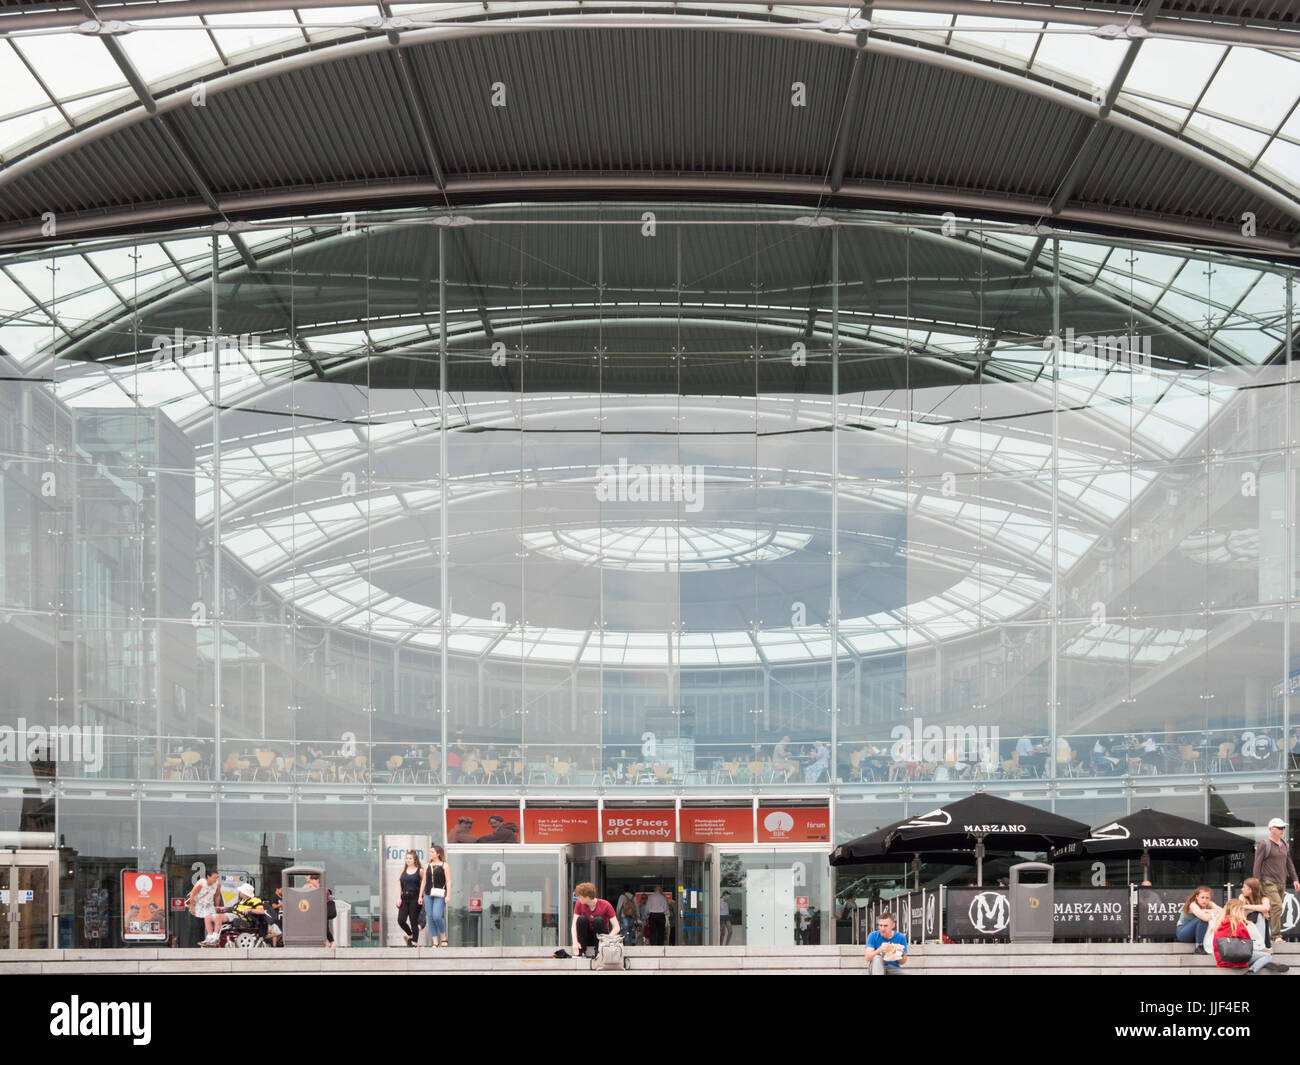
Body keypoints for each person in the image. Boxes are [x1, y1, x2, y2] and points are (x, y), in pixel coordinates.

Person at [1253, 817, 1299, 942]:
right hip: (1267, 881)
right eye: (1280, 828)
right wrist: (1256, 883)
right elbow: (1257, 864)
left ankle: (1270, 936)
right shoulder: (1264, 844)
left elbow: (1289, 862)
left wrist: (1295, 878)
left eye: (1283, 828)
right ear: (1272, 829)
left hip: (1282, 882)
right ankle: (1276, 936)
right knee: (1277, 905)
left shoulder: (1284, 844)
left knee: (1275, 908)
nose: (1282, 830)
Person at [1213, 898, 1288, 974]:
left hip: (1222, 960)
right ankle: (1251, 971)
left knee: (1258, 956)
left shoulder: (1219, 923)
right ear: (1240, 910)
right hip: (1236, 960)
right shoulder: (1239, 924)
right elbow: (1247, 943)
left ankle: (1263, 963)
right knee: (1266, 956)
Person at [570, 881, 617, 956]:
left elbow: (616, 927)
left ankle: (599, 952)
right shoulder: (579, 904)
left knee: (598, 920)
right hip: (586, 937)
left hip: (600, 939)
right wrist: (575, 942)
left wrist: (607, 939)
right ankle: (581, 951)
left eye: (580, 896)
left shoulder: (605, 905)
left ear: (587, 897)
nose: (578, 898)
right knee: (581, 919)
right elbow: (574, 926)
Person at [420, 845, 450, 948]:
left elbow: (449, 881)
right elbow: (424, 881)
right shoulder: (427, 865)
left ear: (438, 853)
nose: (430, 853)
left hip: (440, 894)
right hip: (428, 894)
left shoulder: (444, 865)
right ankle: (435, 942)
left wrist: (448, 895)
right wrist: (421, 896)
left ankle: (443, 937)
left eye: (432, 852)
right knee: (430, 917)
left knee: (437, 916)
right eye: (430, 852)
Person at [1175, 886, 1220, 953]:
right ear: (1197, 897)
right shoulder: (1193, 905)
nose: (1204, 900)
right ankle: (1199, 946)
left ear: (1210, 898)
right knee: (1202, 920)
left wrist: (1207, 911)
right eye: (1202, 897)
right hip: (1183, 933)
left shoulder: (1210, 904)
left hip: (1196, 934)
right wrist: (1212, 911)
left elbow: (1223, 912)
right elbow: (1205, 918)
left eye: (1207, 898)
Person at [396, 849, 423, 947]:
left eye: (410, 858)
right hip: (404, 897)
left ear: (415, 859)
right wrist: (399, 897)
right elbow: (399, 882)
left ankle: (415, 941)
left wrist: (421, 896)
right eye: (407, 858)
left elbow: (424, 884)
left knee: (413, 920)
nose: (408, 860)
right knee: (401, 920)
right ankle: (410, 935)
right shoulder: (403, 870)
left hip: (415, 897)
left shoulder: (420, 870)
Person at [189, 868, 222, 946]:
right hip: (199, 906)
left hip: (210, 906)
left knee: (211, 925)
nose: (216, 879)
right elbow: (192, 894)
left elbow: (217, 895)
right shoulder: (201, 883)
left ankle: (211, 942)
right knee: (200, 926)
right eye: (214, 877)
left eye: (217, 877)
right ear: (208, 877)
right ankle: (199, 944)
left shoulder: (217, 884)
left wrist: (217, 906)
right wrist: (191, 907)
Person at [1241, 877, 1272, 949]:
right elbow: (1241, 909)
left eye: (1244, 887)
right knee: (1258, 914)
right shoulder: (1242, 897)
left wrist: (1247, 908)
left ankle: (1259, 943)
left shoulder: (1264, 899)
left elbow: (1266, 908)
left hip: (1261, 927)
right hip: (1245, 925)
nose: (1242, 889)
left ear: (1251, 889)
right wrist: (1260, 909)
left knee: (1259, 916)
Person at [306, 873, 336, 945]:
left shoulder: (323, 889)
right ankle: (329, 942)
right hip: (318, 911)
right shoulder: (316, 888)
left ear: (317, 880)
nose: (311, 881)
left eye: (312, 880)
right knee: (323, 927)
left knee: (324, 927)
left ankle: (330, 942)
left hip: (323, 911)